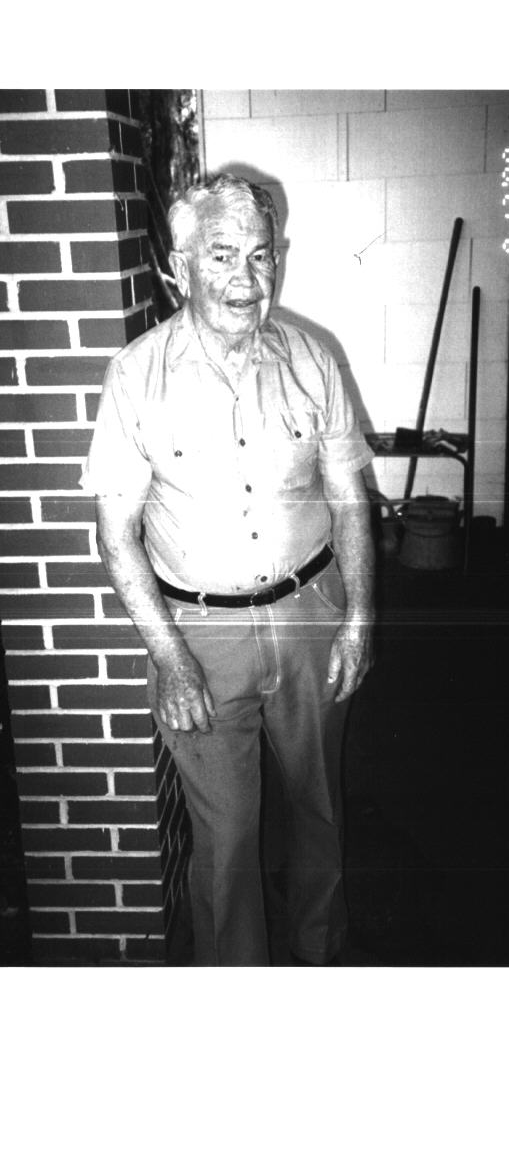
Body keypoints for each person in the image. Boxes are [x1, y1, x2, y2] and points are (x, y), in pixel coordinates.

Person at [81, 173, 375, 966]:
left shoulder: (314, 358)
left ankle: (321, 956)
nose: (246, 278)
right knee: (226, 840)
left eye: (261, 253)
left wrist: (356, 620)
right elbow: (116, 535)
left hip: (311, 615)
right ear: (178, 267)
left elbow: (350, 498)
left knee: (319, 806)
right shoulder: (135, 376)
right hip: (201, 636)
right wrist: (170, 657)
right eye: (221, 255)